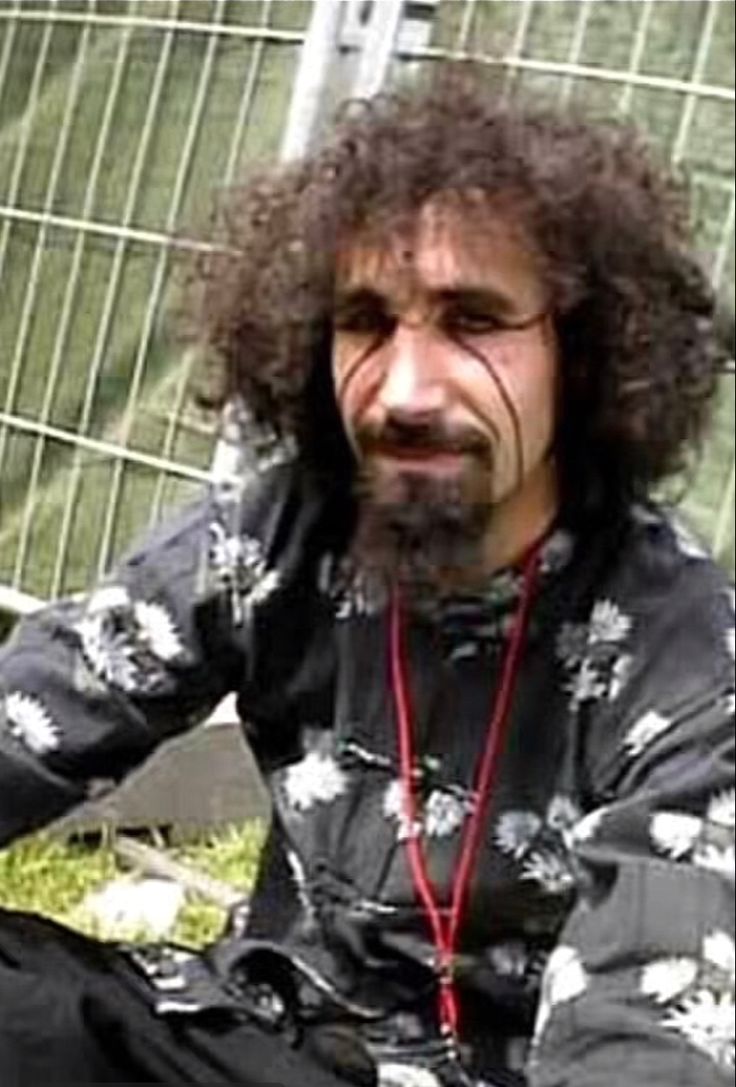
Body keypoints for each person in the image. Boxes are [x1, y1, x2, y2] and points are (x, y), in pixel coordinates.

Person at [0, 70, 733, 1087]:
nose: (405, 388)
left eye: (473, 321)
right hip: (253, 1035)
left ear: (584, 352)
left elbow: (648, 1030)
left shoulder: (688, 659)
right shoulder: (280, 533)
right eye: (367, 321)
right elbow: (31, 714)